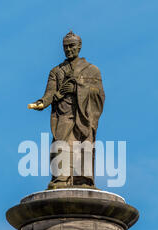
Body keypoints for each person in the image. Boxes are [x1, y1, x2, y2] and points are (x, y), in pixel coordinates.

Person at [30, 31, 105, 189]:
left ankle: (83, 180)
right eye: (66, 47)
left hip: (84, 115)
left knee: (84, 144)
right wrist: (42, 102)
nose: (69, 49)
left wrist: (78, 88)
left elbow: (99, 94)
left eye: (72, 46)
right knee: (60, 144)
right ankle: (61, 179)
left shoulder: (92, 70)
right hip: (64, 114)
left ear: (79, 46)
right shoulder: (56, 72)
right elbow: (50, 93)